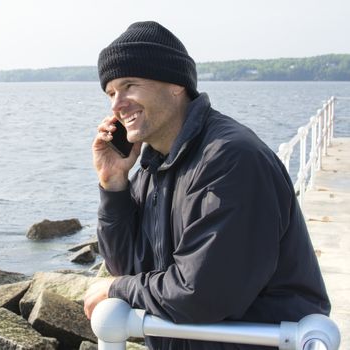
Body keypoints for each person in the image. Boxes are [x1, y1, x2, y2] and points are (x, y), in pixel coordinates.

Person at [83, 21, 330, 350]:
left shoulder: (231, 160)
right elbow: (126, 266)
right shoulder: (153, 166)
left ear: (176, 85)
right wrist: (113, 183)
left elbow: (201, 294)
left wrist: (117, 290)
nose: (117, 104)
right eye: (111, 93)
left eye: (129, 85)